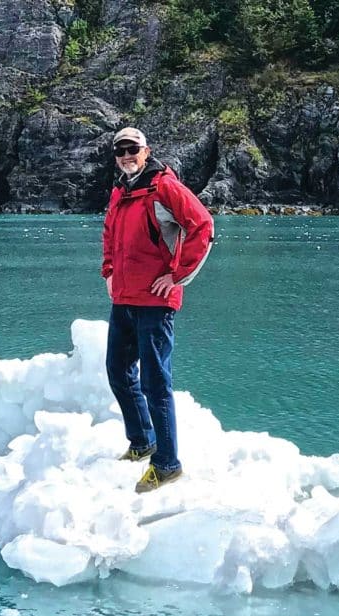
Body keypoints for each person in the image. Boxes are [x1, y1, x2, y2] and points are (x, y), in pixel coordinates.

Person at [101, 127, 214, 493]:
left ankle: (167, 464)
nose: (126, 154)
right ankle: (142, 441)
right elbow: (109, 234)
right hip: (124, 298)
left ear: (146, 151)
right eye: (120, 149)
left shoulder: (163, 186)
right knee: (118, 370)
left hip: (154, 301)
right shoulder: (122, 189)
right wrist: (109, 270)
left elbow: (203, 226)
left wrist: (177, 276)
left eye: (132, 148)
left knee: (155, 383)